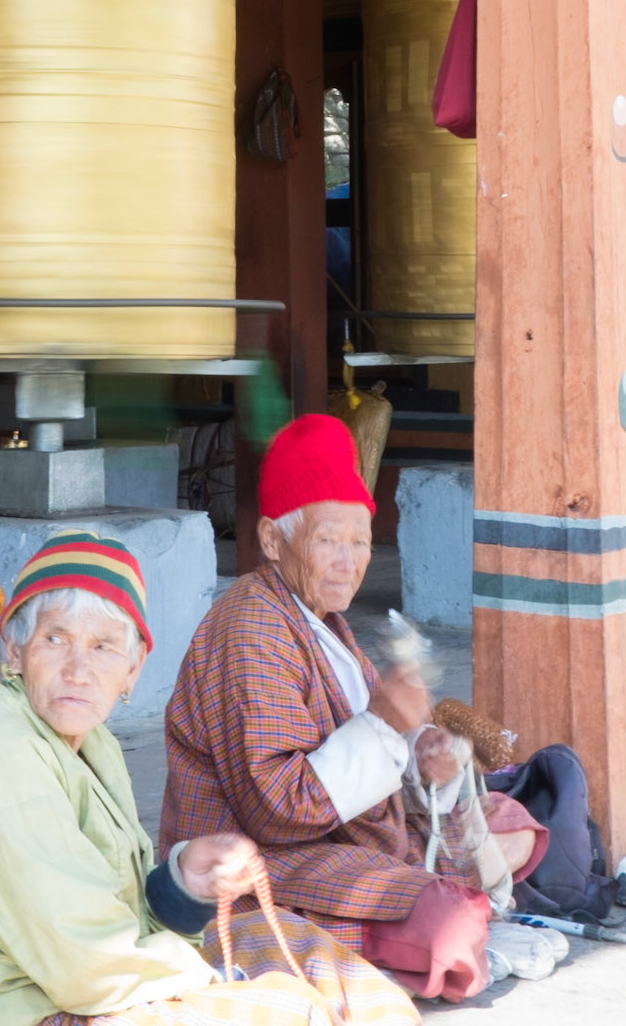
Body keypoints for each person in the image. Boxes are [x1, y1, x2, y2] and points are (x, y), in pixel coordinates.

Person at [0, 529, 417, 1026]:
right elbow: (87, 965)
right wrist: (219, 979)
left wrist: (183, 885)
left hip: (63, 981)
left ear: (133, 669)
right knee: (290, 1010)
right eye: (54, 639)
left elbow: (108, 910)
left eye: (102, 648)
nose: (77, 670)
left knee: (318, 957)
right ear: (14, 650)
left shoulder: (90, 743)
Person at [160, 415, 556, 1003]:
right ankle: (445, 935)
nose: (351, 560)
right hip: (262, 860)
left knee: (513, 817)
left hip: (345, 833)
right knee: (439, 912)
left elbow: (376, 752)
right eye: (328, 540)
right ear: (274, 541)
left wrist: (421, 755)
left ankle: (454, 917)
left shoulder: (325, 623)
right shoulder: (251, 627)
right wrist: (382, 727)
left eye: (362, 541)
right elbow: (277, 810)